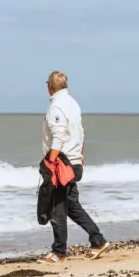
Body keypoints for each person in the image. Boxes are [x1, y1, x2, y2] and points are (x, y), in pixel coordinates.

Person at [40, 70, 108, 263]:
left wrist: (50, 161)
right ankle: (98, 240)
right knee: (71, 206)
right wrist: (81, 154)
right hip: (75, 161)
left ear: (50, 86)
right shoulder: (73, 104)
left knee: (57, 208)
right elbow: (80, 132)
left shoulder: (57, 107)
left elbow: (59, 135)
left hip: (62, 163)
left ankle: (59, 252)